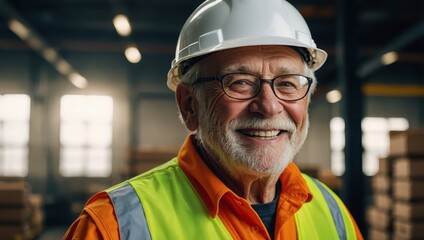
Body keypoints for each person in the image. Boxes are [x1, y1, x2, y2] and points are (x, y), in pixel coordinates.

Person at [63, 0, 363, 239]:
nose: (269, 106)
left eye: (287, 83)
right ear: (189, 105)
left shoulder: (331, 211)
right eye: (240, 82)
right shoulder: (112, 226)